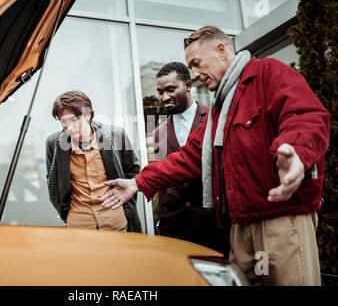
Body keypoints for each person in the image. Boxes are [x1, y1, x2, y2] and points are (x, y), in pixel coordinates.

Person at [101, 26, 330, 285]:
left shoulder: (270, 73)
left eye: (197, 64)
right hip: (239, 227)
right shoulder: (219, 110)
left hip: (280, 219)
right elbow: (189, 157)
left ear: (221, 50)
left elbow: (305, 117)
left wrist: (295, 151)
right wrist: (137, 182)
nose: (195, 75)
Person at [152, 62, 228, 253]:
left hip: (213, 224)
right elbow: (162, 180)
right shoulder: (158, 133)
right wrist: (161, 218)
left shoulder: (215, 118)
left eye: (170, 89)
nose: (164, 97)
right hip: (174, 226)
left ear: (187, 86)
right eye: (160, 92)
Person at [46, 90, 142, 232]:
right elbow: (53, 183)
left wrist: (125, 208)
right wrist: (65, 213)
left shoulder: (116, 136)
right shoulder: (54, 143)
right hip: (78, 224)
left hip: (116, 221)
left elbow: (134, 174)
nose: (69, 127)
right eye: (63, 121)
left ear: (88, 114)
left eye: (74, 119)